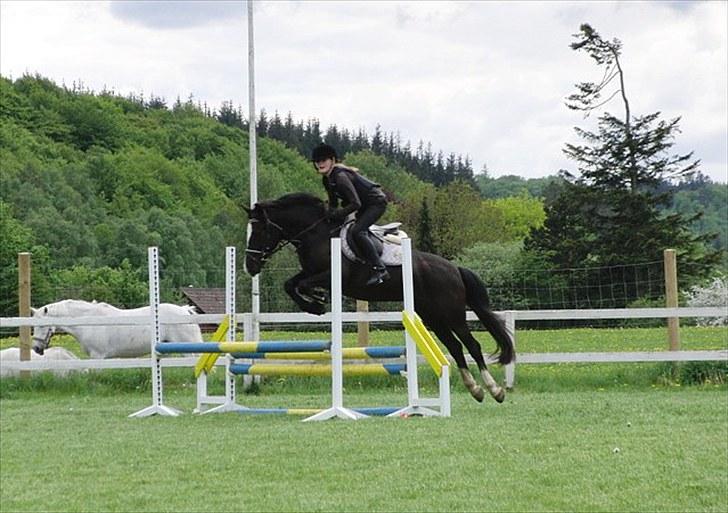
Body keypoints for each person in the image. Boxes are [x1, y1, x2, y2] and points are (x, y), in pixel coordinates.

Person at [311, 143, 390, 286]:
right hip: (365, 205)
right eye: (318, 161)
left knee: (358, 231)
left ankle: (380, 268)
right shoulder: (327, 179)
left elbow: (355, 204)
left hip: (376, 203)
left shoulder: (340, 177)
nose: (320, 164)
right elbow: (334, 204)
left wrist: (337, 214)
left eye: (324, 160)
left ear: (333, 160)